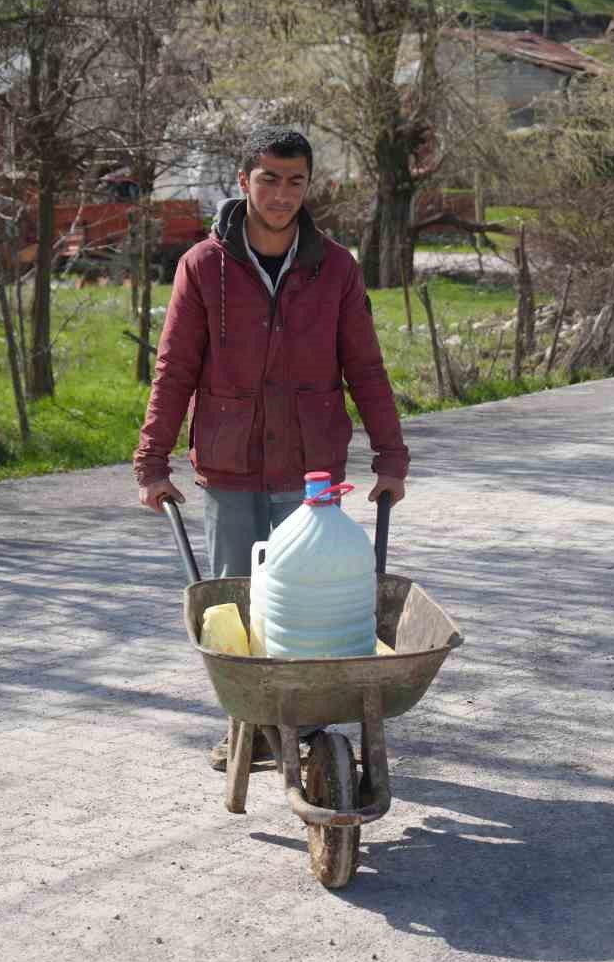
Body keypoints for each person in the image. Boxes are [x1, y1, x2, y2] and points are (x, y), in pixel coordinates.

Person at [134, 126, 409, 770]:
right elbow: (174, 370)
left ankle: (308, 726)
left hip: (311, 466)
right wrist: (152, 464)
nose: (282, 195)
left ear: (309, 187)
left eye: (295, 182)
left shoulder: (335, 267)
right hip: (230, 462)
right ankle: (249, 723)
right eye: (269, 179)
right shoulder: (204, 266)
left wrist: (391, 459)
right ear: (243, 182)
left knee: (307, 594)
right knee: (235, 599)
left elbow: (365, 369)